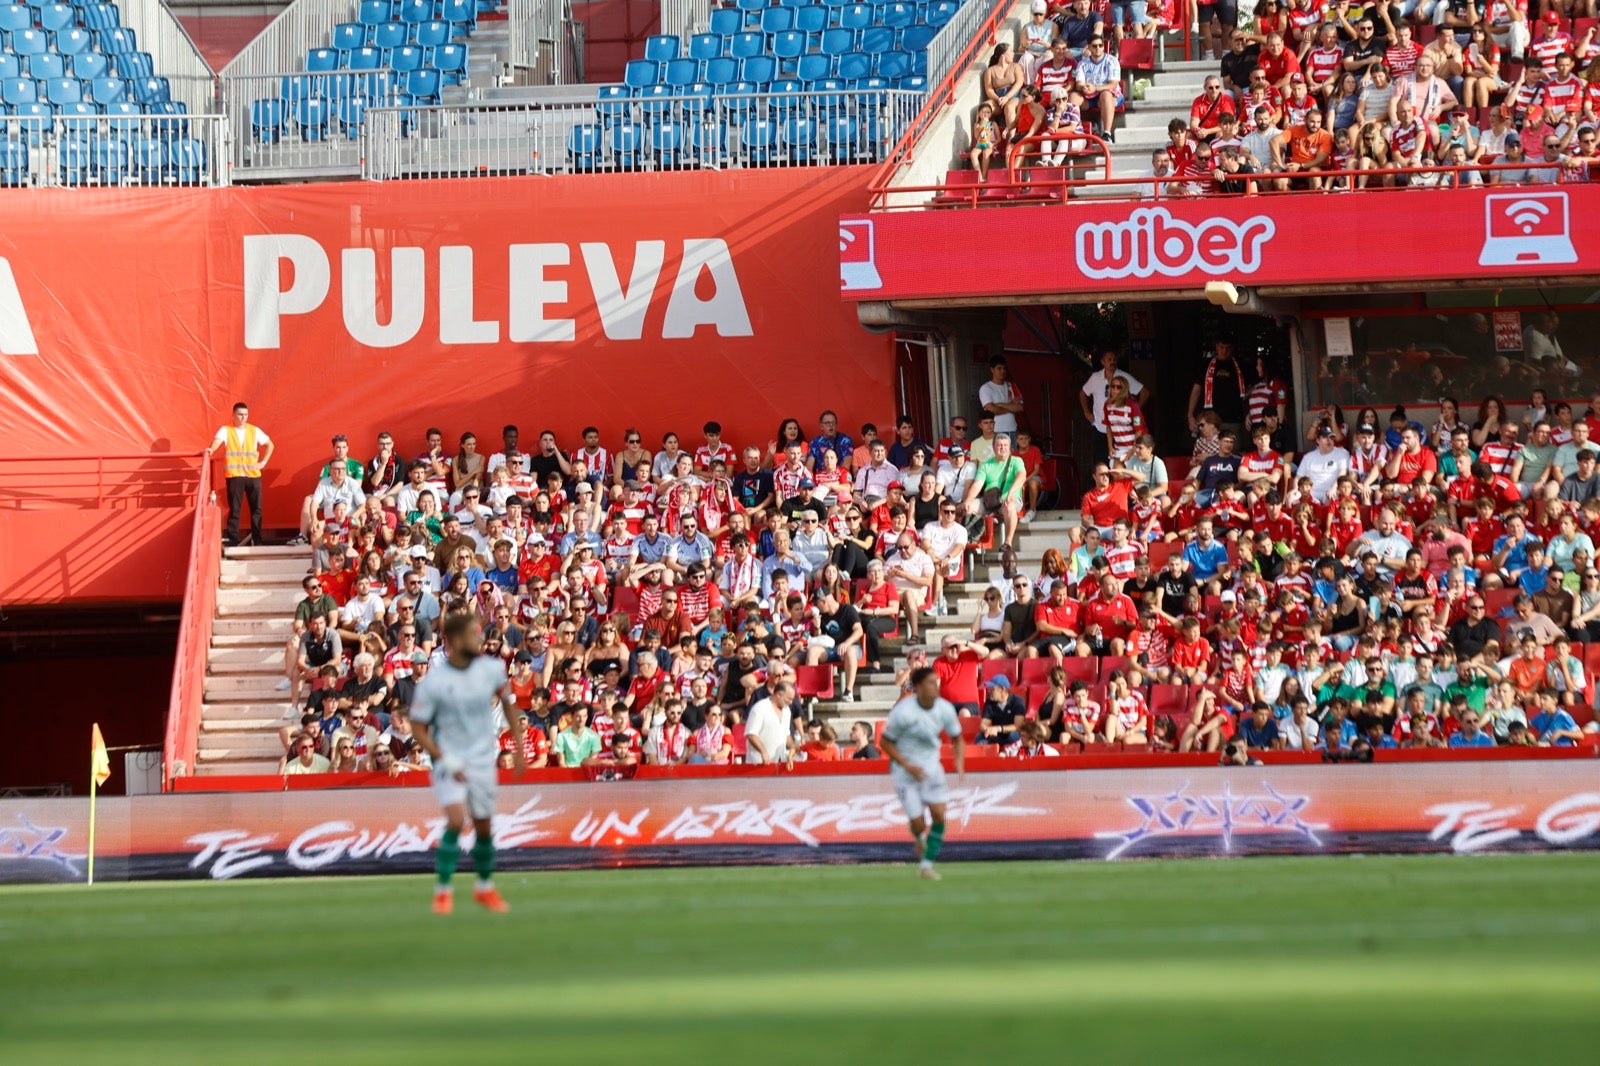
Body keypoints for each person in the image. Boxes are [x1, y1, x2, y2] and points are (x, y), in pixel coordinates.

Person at [408, 612, 526, 915]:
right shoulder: (436, 682)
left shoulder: (490, 669)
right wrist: (443, 757)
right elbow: (418, 728)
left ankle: (484, 888)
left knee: (484, 825)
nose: (480, 640)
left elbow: (509, 703)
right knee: (458, 819)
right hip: (449, 758)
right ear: (457, 641)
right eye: (474, 635)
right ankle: (443, 891)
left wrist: (520, 745)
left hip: (481, 759)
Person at [879, 666, 965, 882]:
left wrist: (959, 760)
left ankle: (926, 866)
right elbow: (885, 742)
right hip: (905, 771)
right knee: (918, 823)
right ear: (918, 687)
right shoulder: (903, 712)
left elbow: (957, 737)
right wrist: (907, 766)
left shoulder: (945, 708)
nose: (935, 686)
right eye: (929, 682)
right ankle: (919, 836)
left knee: (939, 815)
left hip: (931, 769)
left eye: (936, 681)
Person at [208, 401, 273, 547]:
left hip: (253, 475)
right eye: (240, 414)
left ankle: (257, 539)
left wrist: (263, 463)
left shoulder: (254, 430)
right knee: (234, 509)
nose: (243, 418)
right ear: (233, 415)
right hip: (235, 475)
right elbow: (216, 442)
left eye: (245, 415)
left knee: (256, 509)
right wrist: (211, 449)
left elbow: (270, 445)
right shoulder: (226, 430)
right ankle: (233, 540)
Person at [978, 356, 1026, 443]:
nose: (1002, 371)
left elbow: (1020, 408)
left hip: (1012, 429)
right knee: (998, 456)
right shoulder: (985, 388)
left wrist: (1000, 404)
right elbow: (992, 410)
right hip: (996, 430)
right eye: (999, 368)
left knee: (1012, 456)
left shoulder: (1011, 386)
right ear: (992, 370)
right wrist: (1011, 406)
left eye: (1004, 368)